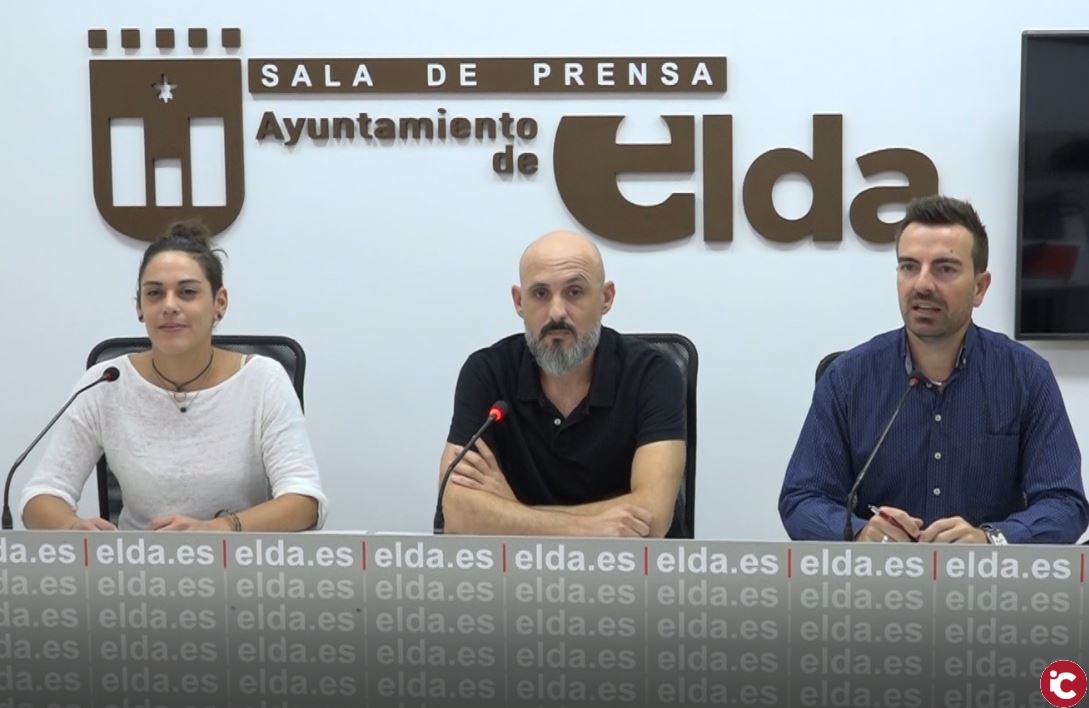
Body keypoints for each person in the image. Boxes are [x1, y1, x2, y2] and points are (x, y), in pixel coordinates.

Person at [779, 195, 1088, 544]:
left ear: (979, 287)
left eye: (945, 269)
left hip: (985, 577)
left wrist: (992, 540)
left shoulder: (1026, 377)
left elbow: (1065, 504)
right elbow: (802, 499)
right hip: (877, 575)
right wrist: (860, 532)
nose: (922, 284)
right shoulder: (848, 378)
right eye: (909, 267)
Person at [21, 221, 326, 532]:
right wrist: (71, 528)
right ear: (139, 307)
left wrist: (217, 529)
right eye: (154, 293)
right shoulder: (106, 382)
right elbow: (41, 497)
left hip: (237, 558)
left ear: (219, 303)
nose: (169, 305)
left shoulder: (263, 380)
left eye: (187, 292)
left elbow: (305, 501)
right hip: (138, 559)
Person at [439, 230, 687, 537]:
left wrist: (510, 510)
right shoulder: (487, 373)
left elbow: (651, 518)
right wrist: (587, 527)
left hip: (628, 567)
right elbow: (457, 513)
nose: (557, 312)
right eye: (540, 294)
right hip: (518, 566)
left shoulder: (654, 374)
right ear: (519, 301)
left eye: (574, 292)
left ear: (606, 298)